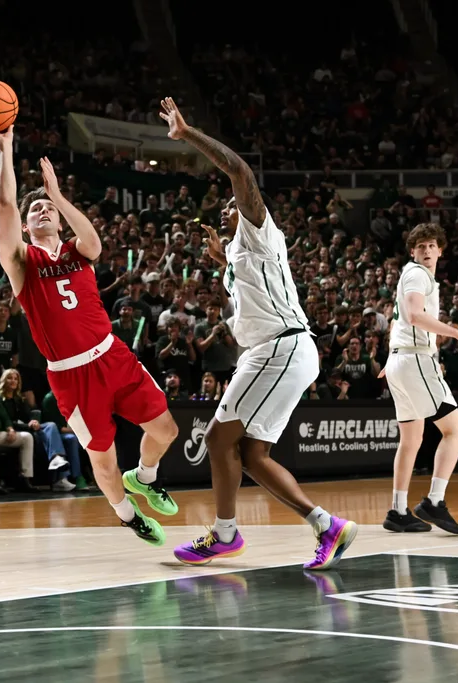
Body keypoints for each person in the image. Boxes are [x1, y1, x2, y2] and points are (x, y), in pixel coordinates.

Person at [157, 97, 356, 570]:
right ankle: (327, 526)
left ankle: (226, 534)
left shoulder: (260, 233)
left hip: (281, 348)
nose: (231, 204)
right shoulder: (238, 255)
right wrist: (221, 260)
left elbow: (240, 172)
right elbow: (251, 291)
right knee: (249, 454)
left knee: (217, 441)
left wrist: (188, 135)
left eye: (234, 203)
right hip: (275, 351)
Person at [0, 124, 178, 546]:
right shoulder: (21, 261)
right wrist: (7, 145)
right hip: (72, 375)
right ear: (28, 227)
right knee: (102, 461)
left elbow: (95, 242)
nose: (43, 212)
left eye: (47, 209)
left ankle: (144, 478)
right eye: (37, 211)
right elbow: (5, 204)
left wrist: (59, 196)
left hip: (112, 356)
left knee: (167, 431)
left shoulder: (76, 250)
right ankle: (128, 515)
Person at [381, 224, 458, 535]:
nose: (426, 250)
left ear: (441, 250)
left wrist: (391, 359)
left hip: (400, 360)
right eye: (420, 246)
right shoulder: (416, 274)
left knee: (411, 439)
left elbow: (397, 316)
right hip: (415, 359)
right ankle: (434, 501)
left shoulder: (412, 275)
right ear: (412, 251)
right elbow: (414, 315)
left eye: (431, 245)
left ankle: (398, 511)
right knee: (456, 431)